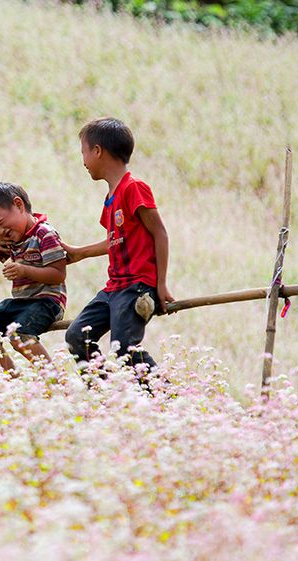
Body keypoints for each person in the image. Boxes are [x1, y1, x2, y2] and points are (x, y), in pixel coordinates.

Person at [62, 118, 174, 373]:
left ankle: (163, 397)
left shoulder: (134, 188)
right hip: (114, 287)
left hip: (136, 286)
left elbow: (160, 233)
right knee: (77, 336)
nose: (83, 161)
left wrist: (161, 284)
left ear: (98, 151)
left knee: (124, 349)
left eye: (84, 152)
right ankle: (105, 397)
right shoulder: (110, 199)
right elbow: (115, 240)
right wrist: (79, 253)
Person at [0, 183, 67, 374]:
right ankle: (12, 374)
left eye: (0, 222)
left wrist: (25, 271)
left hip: (47, 302)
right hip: (21, 304)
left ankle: (54, 379)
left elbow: (58, 273)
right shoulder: (12, 240)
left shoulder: (44, 233)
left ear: (19, 205)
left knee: (18, 335)